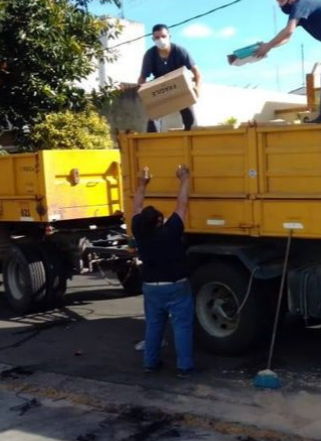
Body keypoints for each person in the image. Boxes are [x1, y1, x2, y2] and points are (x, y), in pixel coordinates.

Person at [131, 164, 195, 377]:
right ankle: (184, 368)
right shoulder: (171, 230)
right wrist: (184, 180)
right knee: (182, 327)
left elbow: (137, 206)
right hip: (176, 285)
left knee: (154, 326)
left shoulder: (140, 232)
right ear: (160, 220)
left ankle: (150, 363)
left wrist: (142, 184)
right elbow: (182, 205)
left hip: (151, 287)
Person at [137, 24, 202, 132]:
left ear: (169, 36)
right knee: (153, 116)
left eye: (163, 36)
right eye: (157, 38)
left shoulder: (180, 51)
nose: (160, 40)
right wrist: (143, 96)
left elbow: (197, 73)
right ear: (153, 39)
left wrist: (197, 88)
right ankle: (150, 144)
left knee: (189, 117)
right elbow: (142, 78)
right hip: (160, 88)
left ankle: (189, 140)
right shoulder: (150, 55)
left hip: (180, 86)